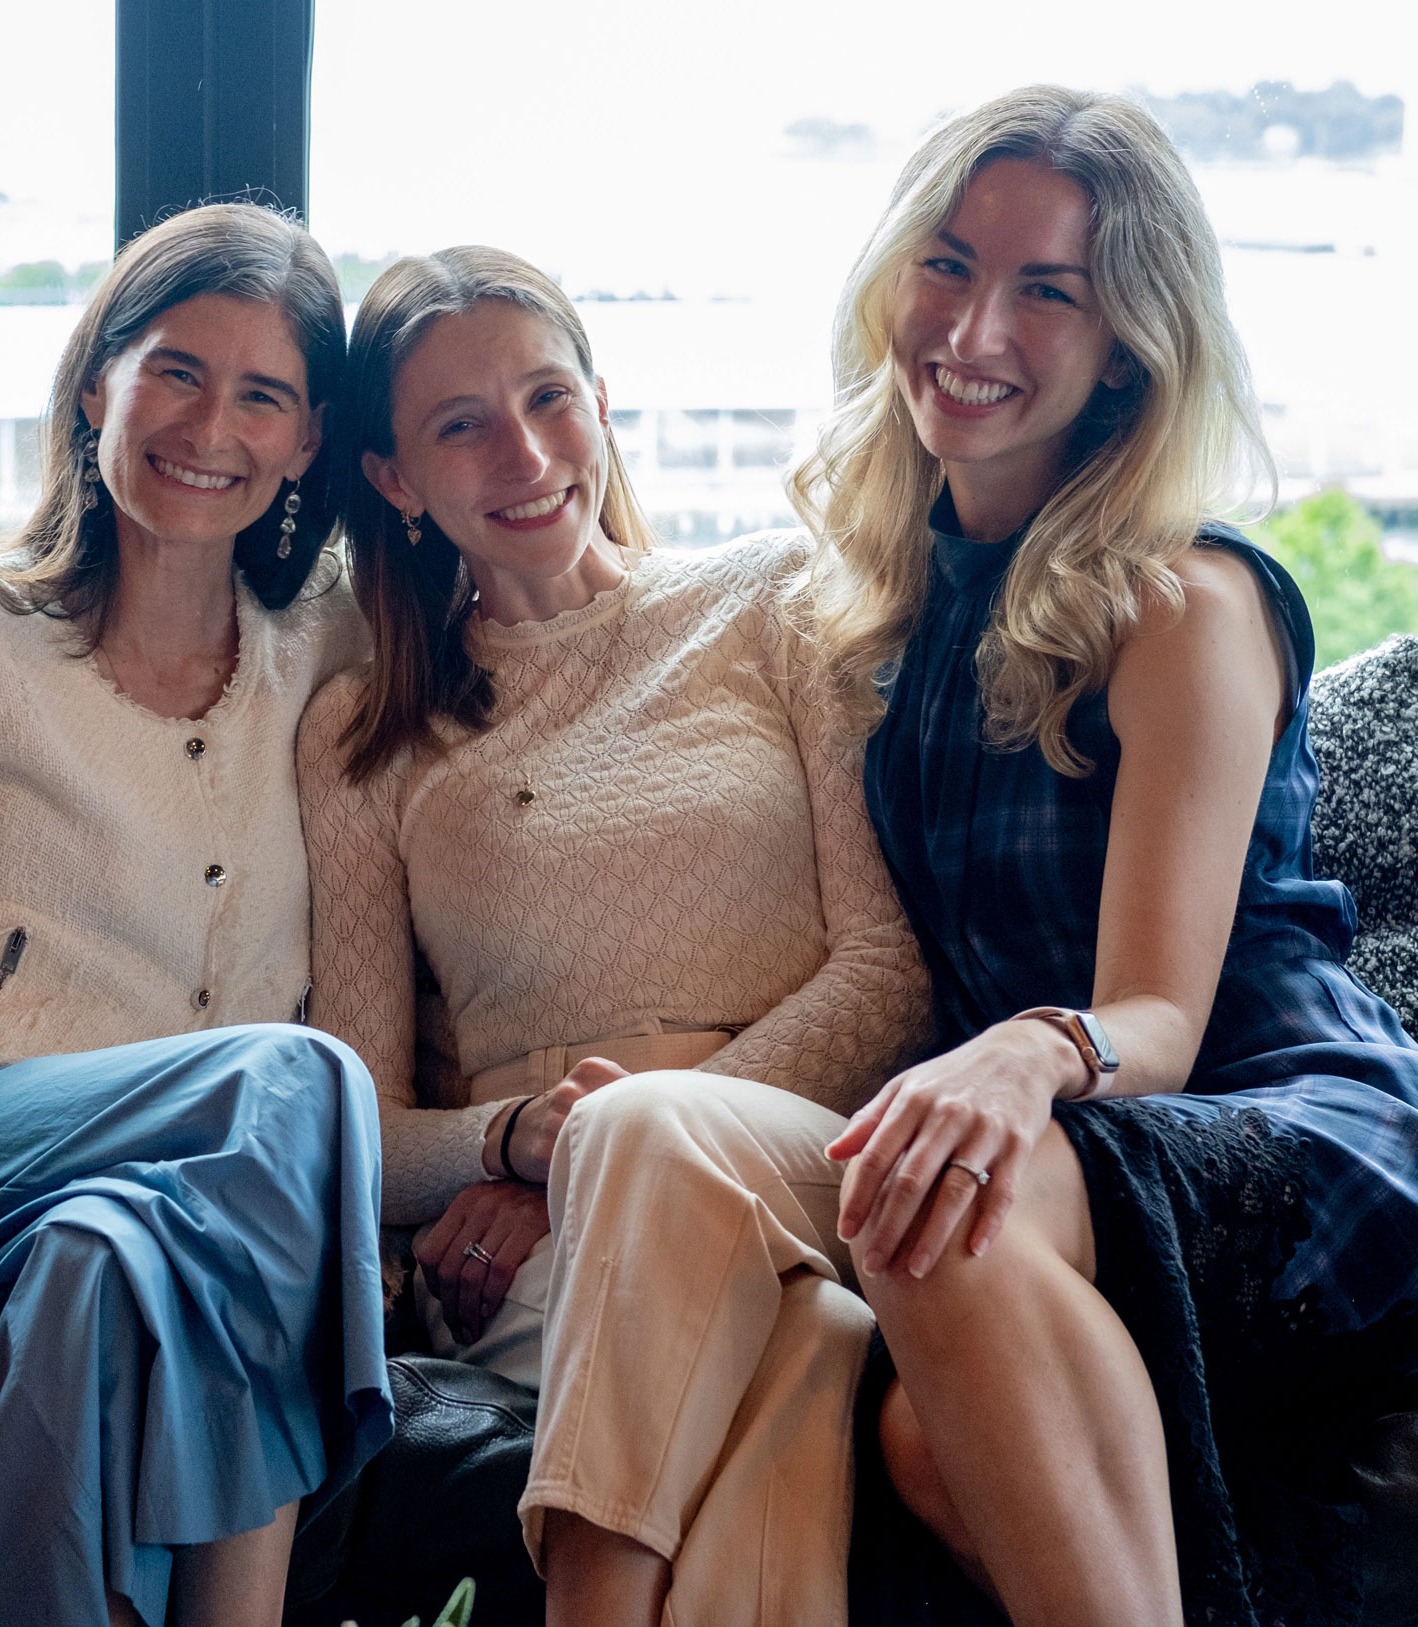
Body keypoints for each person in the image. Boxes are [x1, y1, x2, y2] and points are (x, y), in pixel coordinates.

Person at [802, 87, 1418, 1627]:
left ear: (1129, 345)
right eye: (947, 265)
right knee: (918, 1444)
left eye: (1048, 291)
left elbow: (1157, 1018)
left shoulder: (1185, 603)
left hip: (1295, 1123)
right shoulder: (894, 608)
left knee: (939, 1208)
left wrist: (1023, 1055)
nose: (974, 327)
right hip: (1073, 1161)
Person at [0, 201, 388, 1627]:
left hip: (177, 1215)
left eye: (264, 395)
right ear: (96, 379)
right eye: (176, 368)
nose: (209, 424)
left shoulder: (330, 652)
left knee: (98, 1269)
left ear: (303, 445)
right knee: (292, 1081)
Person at [300, 246, 931, 1627]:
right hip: (554, 1247)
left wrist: (633, 1139)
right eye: (459, 425)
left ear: (601, 400)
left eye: (548, 397)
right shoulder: (365, 737)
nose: (522, 452)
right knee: (807, 1343)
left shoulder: (771, 604)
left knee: (682, 1187)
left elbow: (887, 969)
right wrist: (524, 1143)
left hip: (806, 1161)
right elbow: (350, 1117)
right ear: (396, 480)